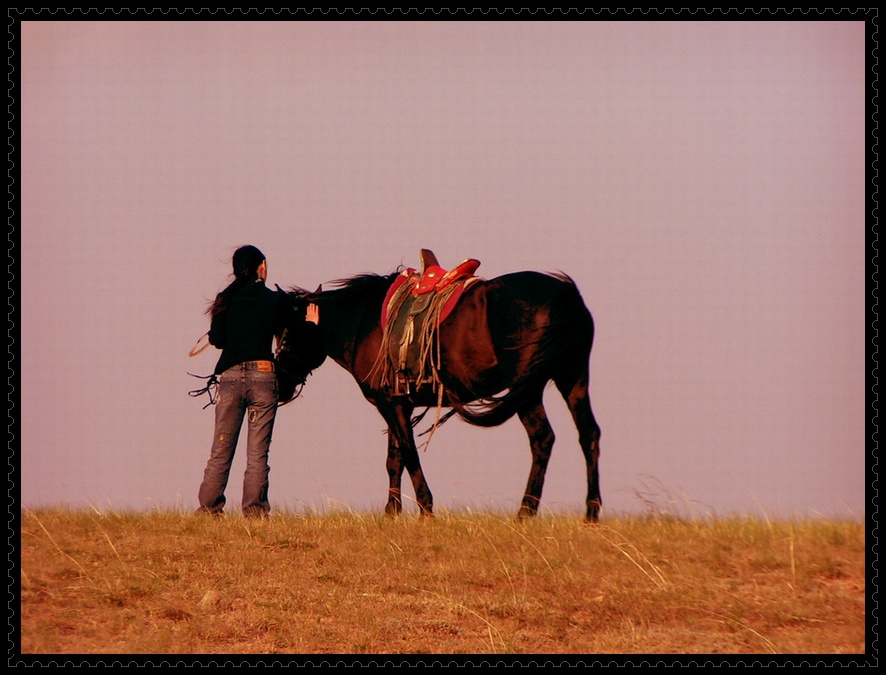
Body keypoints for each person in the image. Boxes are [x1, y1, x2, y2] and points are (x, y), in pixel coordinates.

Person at [196, 245, 319, 518]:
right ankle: (254, 512)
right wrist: (311, 323)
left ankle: (208, 509)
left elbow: (217, 340)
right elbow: (297, 334)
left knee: (221, 447)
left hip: (229, 379)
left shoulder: (225, 299)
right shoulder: (274, 300)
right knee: (257, 453)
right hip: (263, 377)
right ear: (261, 266)